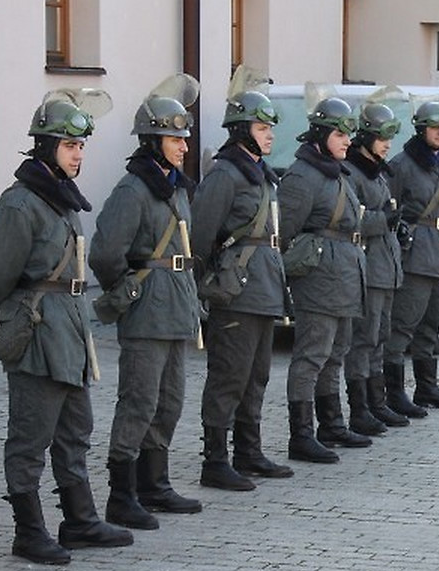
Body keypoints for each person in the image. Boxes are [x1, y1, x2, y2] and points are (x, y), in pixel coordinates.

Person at [0, 89, 134, 564]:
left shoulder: (59, 200)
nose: (78, 154)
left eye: (81, 146)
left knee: (75, 431)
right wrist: (1, 324)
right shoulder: (21, 205)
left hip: (70, 335)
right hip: (38, 336)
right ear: (44, 147)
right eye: (68, 145)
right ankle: (29, 530)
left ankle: (79, 521)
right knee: (29, 437)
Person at [89, 74, 204, 529]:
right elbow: (104, 253)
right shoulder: (133, 190)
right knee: (139, 400)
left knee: (169, 401)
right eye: (174, 138)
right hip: (148, 308)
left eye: (183, 138)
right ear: (152, 140)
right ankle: (122, 493)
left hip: (176, 305)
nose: (182, 146)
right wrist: (130, 288)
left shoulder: (175, 187)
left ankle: (154, 483)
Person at [190, 73, 294, 490]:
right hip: (236, 290)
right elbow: (200, 235)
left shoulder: (260, 174)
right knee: (228, 376)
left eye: (270, 128)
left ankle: (248, 450)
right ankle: (214, 459)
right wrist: (204, 287)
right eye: (261, 128)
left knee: (257, 375)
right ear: (241, 131)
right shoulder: (225, 175)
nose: (269, 136)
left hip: (264, 287)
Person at [278, 96, 371, 463]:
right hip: (319, 278)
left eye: (349, 132)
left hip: (344, 275)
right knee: (312, 355)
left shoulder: (336, 171)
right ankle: (300, 434)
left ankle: (330, 422)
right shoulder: (303, 176)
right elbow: (284, 231)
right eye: (339, 132)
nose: (348, 139)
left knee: (337, 353)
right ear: (320, 134)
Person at [384, 100, 439, 415]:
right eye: (435, 127)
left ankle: (426, 388)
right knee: (403, 325)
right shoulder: (402, 165)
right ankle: (394, 393)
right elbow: (388, 207)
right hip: (415, 255)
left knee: (432, 324)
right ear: (421, 129)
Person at [343, 102, 409, 434]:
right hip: (368, 268)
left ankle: (377, 401)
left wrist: (396, 225)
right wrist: (385, 219)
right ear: (366, 136)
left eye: (389, 139)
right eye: (382, 138)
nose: (387, 145)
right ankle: (360, 408)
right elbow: (352, 220)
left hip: (386, 265)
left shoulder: (377, 171)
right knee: (364, 339)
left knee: (380, 336)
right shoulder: (352, 173)